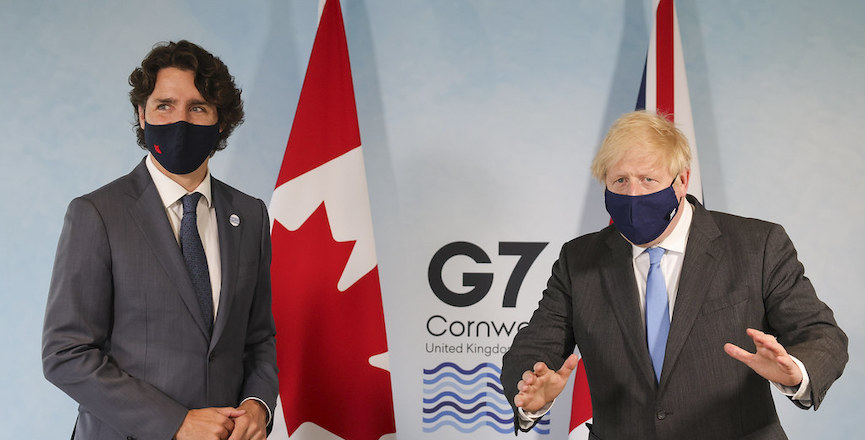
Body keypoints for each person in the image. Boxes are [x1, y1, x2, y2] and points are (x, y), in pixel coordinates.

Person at [501, 111, 848, 439]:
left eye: (647, 179)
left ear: (681, 180)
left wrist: (796, 372)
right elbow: (534, 347)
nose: (633, 194)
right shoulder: (578, 260)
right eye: (620, 180)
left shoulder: (757, 246)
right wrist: (531, 390)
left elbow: (820, 334)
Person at [42, 40, 278, 440]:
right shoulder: (97, 214)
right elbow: (66, 354)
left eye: (197, 107)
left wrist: (258, 405)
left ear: (221, 120)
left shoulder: (250, 215)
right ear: (142, 112)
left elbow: (258, 338)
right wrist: (176, 422)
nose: (180, 121)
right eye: (164, 105)